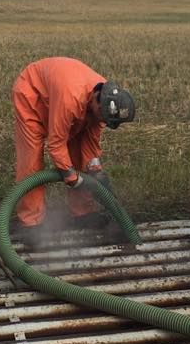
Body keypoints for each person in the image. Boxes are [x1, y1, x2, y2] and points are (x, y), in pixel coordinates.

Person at [11, 57, 135, 239]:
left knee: (79, 158)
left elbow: (90, 146)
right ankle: (31, 223)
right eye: (101, 117)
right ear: (95, 100)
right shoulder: (71, 99)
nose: (102, 121)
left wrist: (96, 173)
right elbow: (56, 143)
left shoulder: (104, 105)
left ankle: (83, 213)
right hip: (33, 95)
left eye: (105, 121)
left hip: (60, 97)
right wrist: (71, 177)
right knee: (32, 161)